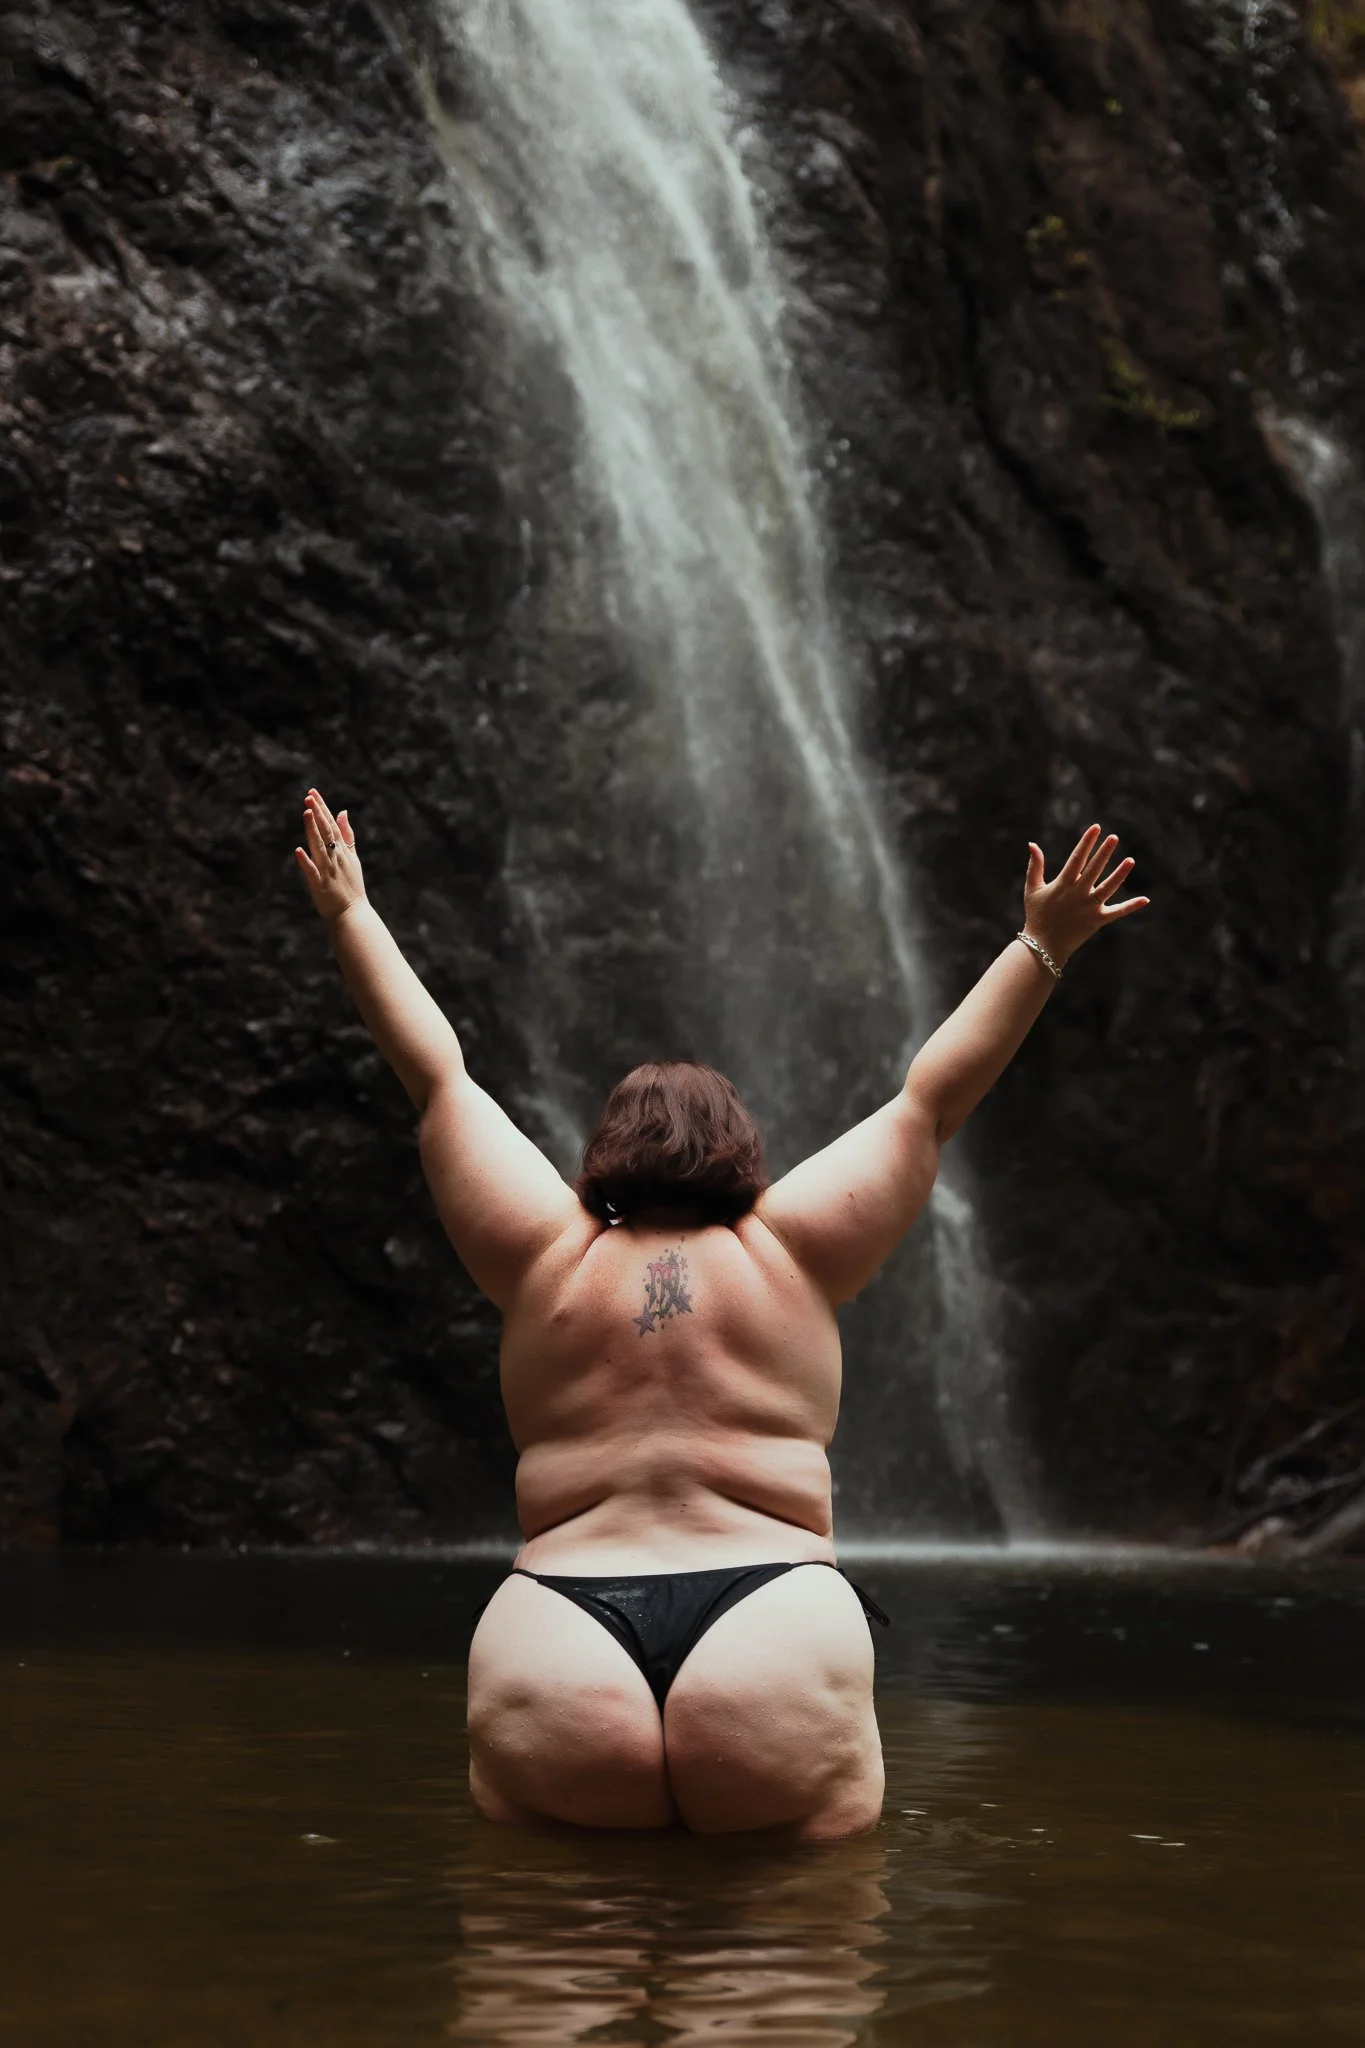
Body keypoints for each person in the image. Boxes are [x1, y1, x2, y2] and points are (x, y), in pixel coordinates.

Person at [295, 788, 1148, 1838]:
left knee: (545, 1964)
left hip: (560, 1631)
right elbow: (935, 1095)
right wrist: (1041, 945)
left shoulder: (544, 1253)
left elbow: (435, 1075)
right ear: (739, 1148)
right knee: (776, 1980)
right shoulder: (793, 1245)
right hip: (773, 1624)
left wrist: (351, 914)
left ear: (605, 1149)